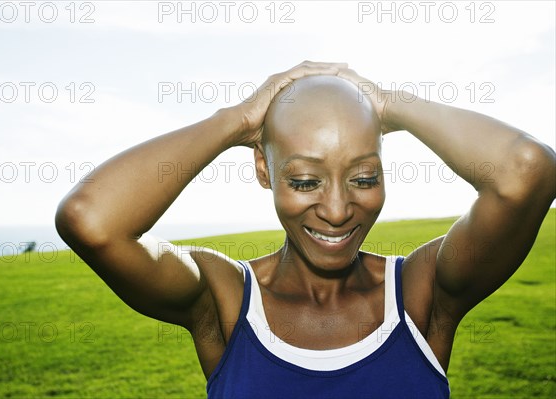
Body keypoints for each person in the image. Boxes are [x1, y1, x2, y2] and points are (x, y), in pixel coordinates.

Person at [55, 61, 556, 398]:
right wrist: (237, 120)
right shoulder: (225, 300)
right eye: (304, 180)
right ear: (264, 170)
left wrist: (387, 105)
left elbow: (527, 171)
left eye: (364, 177)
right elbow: (90, 219)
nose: (337, 210)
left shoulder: (422, 293)